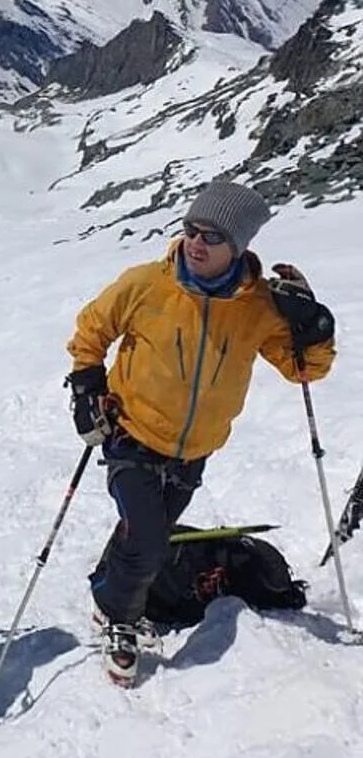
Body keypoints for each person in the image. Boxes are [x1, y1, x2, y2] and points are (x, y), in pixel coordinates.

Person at [66, 179, 336, 685]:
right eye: (192, 229)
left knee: (149, 534)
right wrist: (85, 384)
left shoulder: (258, 308)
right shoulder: (147, 284)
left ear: (238, 246)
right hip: (134, 431)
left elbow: (302, 369)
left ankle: (115, 590)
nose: (196, 242)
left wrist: (315, 326)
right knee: (147, 536)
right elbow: (92, 330)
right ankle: (119, 616)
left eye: (212, 236)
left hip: (195, 450)